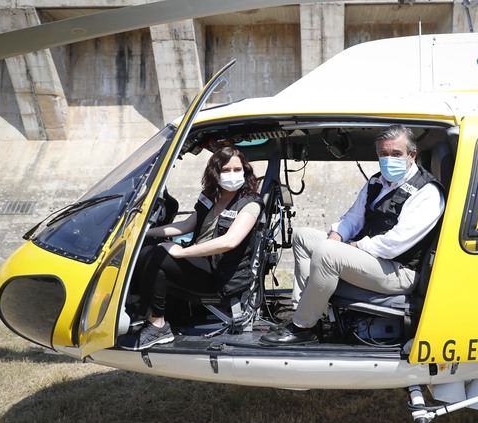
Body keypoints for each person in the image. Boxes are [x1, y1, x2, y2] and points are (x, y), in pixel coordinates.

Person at [261, 125, 445, 345]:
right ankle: (308, 311)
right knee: (303, 237)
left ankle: (302, 328)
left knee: (328, 253)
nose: (389, 160)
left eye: (396, 154)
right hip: (372, 259)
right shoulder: (377, 182)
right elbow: (352, 219)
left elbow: (394, 244)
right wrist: (338, 235)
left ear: (411, 155)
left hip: (399, 270)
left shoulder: (427, 192)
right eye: (383, 155)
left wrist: (353, 247)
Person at [122, 145, 263, 350]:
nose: (232, 175)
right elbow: (187, 225)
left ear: (245, 171)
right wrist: (145, 233)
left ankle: (158, 326)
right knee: (145, 251)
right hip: (202, 263)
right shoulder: (210, 196)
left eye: (237, 169)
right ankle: (144, 316)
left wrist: (181, 252)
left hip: (222, 274)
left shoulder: (250, 203)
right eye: (226, 170)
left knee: (160, 254)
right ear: (215, 172)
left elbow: (229, 241)